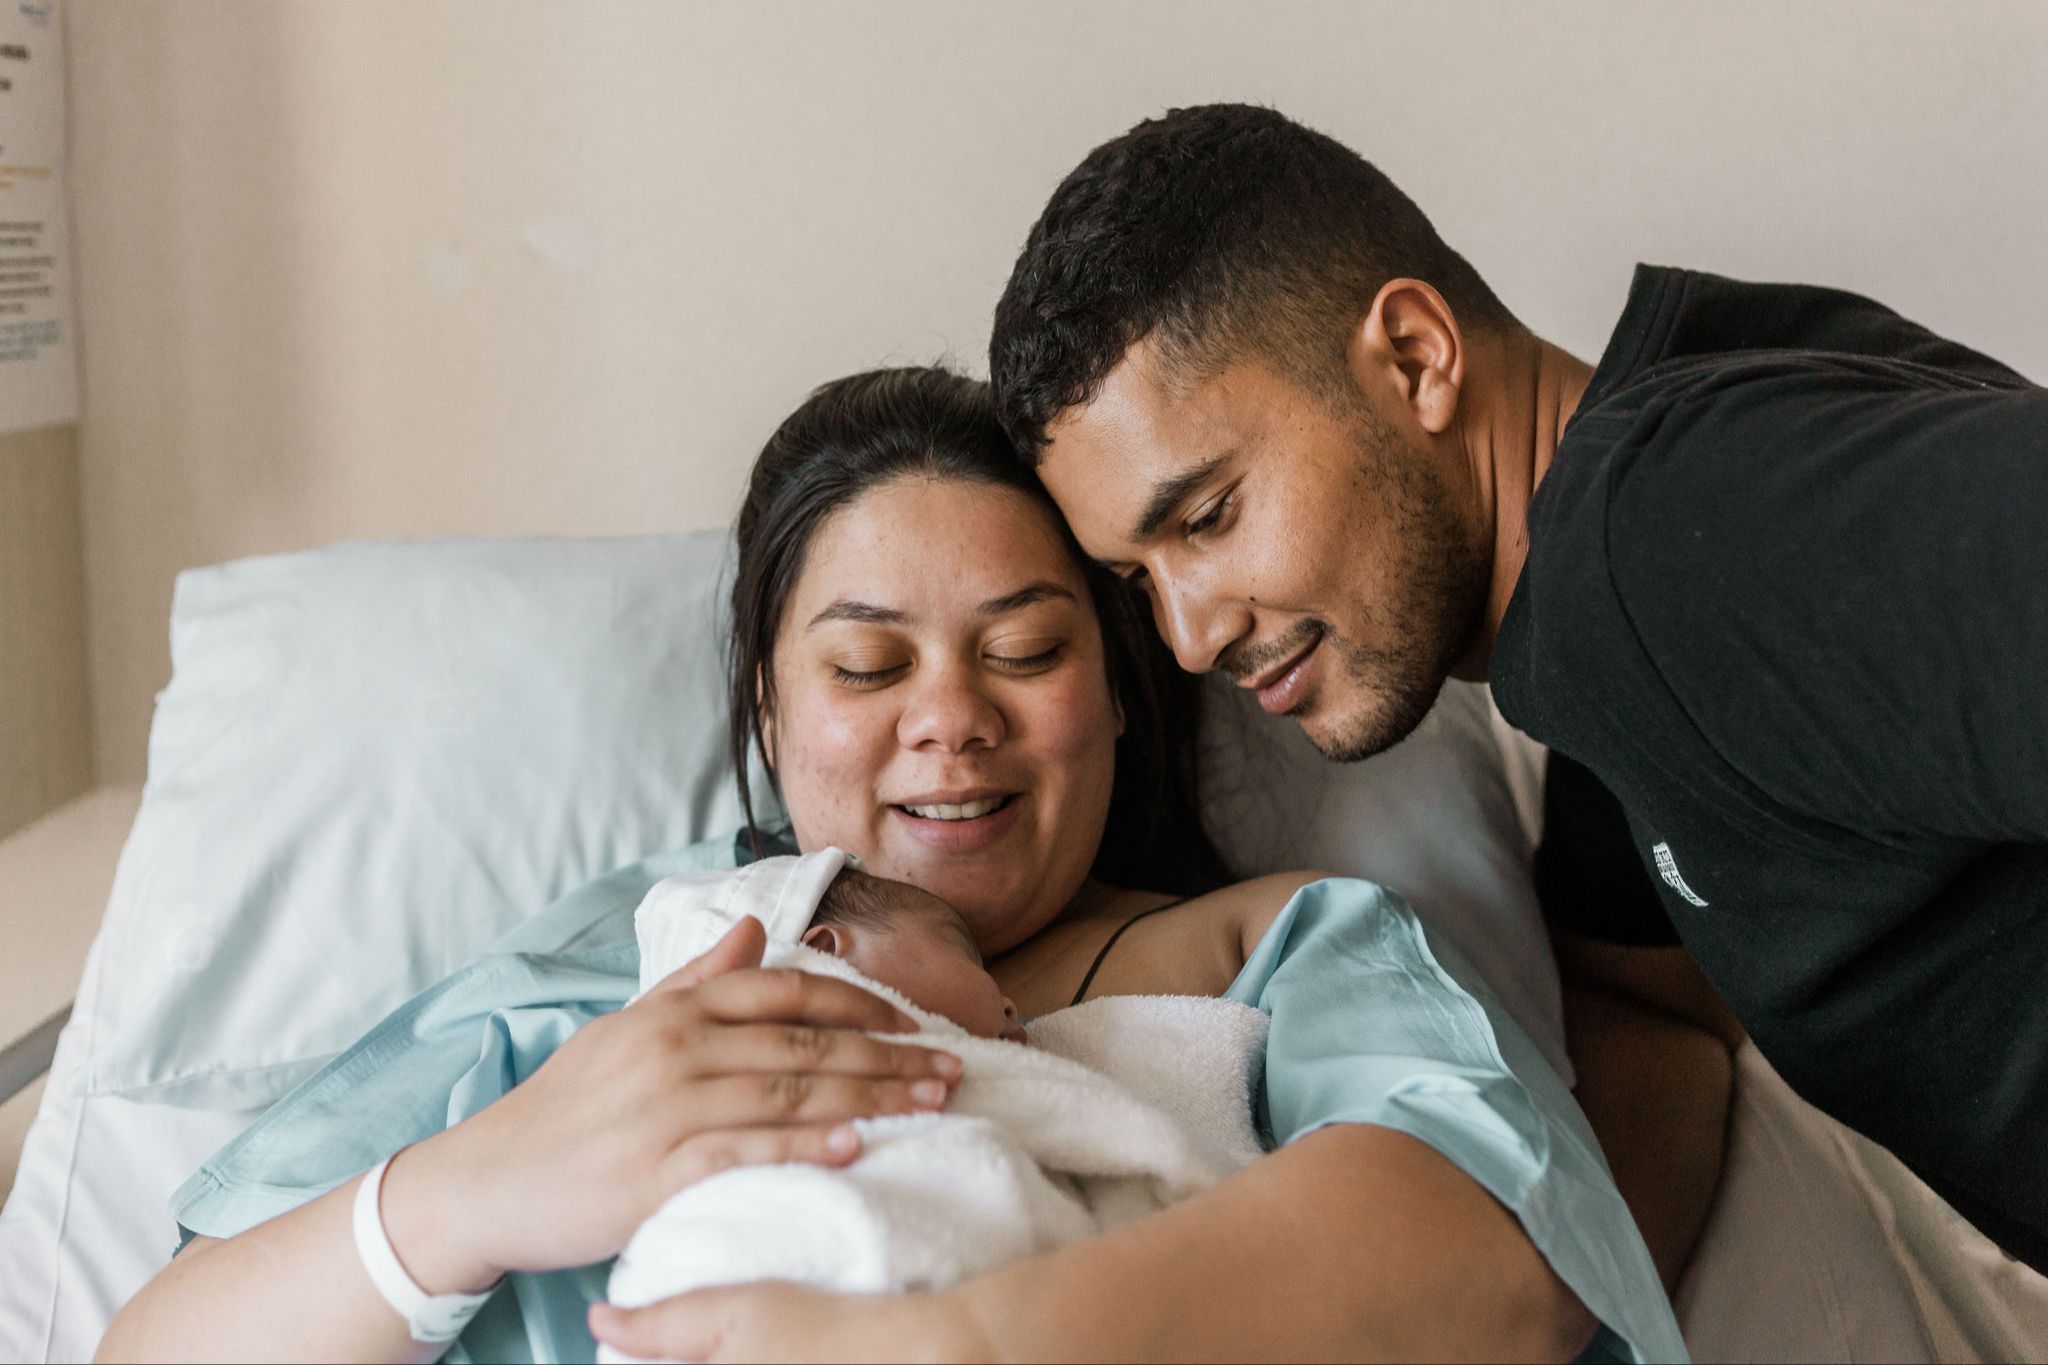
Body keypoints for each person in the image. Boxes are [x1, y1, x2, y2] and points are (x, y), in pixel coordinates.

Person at [98, 367, 1716, 1364]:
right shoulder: (630, 958)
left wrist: (966, 1342)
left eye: (1020, 649)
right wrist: (478, 1187)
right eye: (867, 671)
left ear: (1120, 697)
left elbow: (1500, 1252)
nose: (948, 722)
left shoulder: (1273, 952)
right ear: (770, 711)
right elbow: (157, 1350)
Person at [988, 100, 2047, 1272]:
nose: (1188, 638)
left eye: (1207, 516)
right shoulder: (1611, 616)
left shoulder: (1674, 533)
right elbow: (1646, 1007)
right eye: (1137, 578)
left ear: (1414, 359)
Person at [602, 847, 1269, 1365]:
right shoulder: (940, 1068)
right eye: (970, 959)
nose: (1012, 1003)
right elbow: (1121, 1137)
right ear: (824, 956)